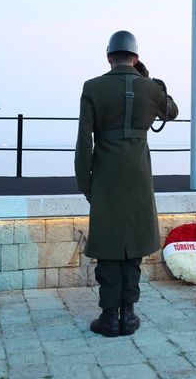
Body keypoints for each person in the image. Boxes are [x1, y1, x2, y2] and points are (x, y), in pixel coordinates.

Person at [75, 31, 178, 338]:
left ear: (109, 57)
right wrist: (149, 80)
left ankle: (109, 316)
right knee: (133, 242)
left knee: (107, 243)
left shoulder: (92, 87)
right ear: (136, 57)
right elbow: (170, 111)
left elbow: (83, 140)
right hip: (139, 175)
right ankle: (129, 314)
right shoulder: (150, 88)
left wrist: (85, 182)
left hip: (105, 173)